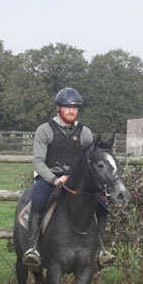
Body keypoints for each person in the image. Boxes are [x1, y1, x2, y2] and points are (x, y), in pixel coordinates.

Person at [22, 88, 115, 270]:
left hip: (75, 180)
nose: (71, 110)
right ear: (58, 108)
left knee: (103, 206)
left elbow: (90, 159)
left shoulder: (85, 132)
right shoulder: (44, 130)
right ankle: (33, 248)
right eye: (67, 107)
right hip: (49, 178)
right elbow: (38, 161)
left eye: (75, 107)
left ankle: (101, 249)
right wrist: (54, 179)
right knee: (38, 199)